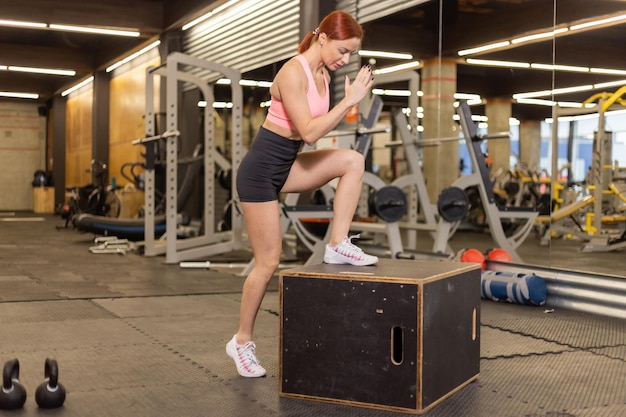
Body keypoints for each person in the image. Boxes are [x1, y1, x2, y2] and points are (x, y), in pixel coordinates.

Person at [226, 10, 378, 378]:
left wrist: (347, 97)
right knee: (268, 262)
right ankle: (241, 342)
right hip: (261, 173)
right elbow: (309, 133)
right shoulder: (292, 72)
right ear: (322, 38)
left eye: (350, 55)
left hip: (288, 166)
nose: (345, 60)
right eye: (342, 51)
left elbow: (306, 138)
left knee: (353, 161)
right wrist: (350, 99)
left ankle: (338, 243)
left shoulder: (324, 75)